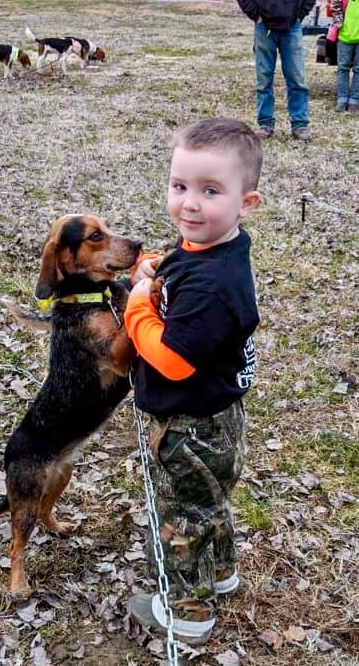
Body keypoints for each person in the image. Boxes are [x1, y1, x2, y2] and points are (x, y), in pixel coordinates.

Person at [124, 118, 262, 645]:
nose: (190, 204)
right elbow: (181, 259)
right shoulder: (213, 247)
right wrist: (153, 266)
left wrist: (138, 308)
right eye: (180, 186)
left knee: (182, 517)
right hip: (219, 418)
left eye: (210, 191)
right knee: (210, 503)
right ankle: (221, 572)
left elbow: (172, 362)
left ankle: (186, 612)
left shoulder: (211, 287)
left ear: (246, 203)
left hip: (191, 429)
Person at [235, 0, 316, 141]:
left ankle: (300, 124)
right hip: (264, 26)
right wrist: (255, 15)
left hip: (292, 26)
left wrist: (300, 14)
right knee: (264, 79)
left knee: (297, 78)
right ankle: (265, 123)